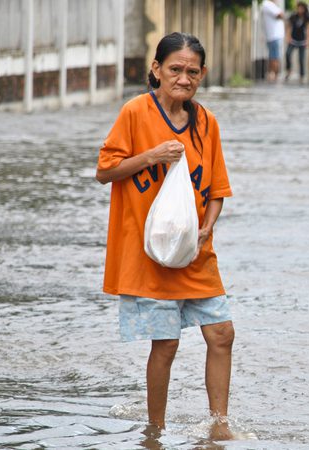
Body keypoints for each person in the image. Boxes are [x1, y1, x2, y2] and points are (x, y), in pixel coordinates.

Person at [95, 32, 235, 440]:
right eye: (175, 69)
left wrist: (207, 226)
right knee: (167, 343)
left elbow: (217, 190)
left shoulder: (206, 121)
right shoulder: (136, 112)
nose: (184, 78)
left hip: (194, 250)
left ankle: (219, 426)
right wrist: (151, 156)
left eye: (193, 71)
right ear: (155, 70)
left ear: (203, 74)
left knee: (222, 333)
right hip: (150, 252)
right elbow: (105, 171)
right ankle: (154, 430)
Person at [286, 2, 309, 82]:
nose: (299, 10)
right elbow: (289, 27)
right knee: (288, 53)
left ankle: (302, 75)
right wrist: (288, 37)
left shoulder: (307, 17)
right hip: (293, 39)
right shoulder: (293, 16)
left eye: (301, 8)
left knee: (301, 58)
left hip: (302, 40)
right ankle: (289, 70)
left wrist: (308, 40)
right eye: (298, 8)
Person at [261, 0, 285, 81]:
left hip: (274, 35)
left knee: (273, 55)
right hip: (274, 35)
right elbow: (280, 15)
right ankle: (273, 74)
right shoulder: (268, 4)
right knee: (274, 56)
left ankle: (273, 74)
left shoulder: (268, 4)